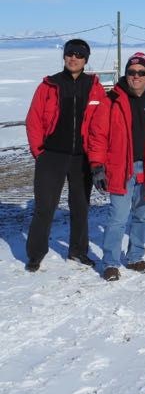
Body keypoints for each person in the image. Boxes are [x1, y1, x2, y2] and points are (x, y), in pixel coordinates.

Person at [87, 52, 145, 282]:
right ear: (125, 75)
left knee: (143, 216)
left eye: (141, 72)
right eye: (132, 72)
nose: (136, 76)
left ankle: (135, 256)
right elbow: (97, 136)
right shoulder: (111, 102)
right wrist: (97, 166)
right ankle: (110, 262)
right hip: (120, 168)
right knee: (117, 217)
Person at [25, 38, 106, 272]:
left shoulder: (94, 86)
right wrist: (39, 151)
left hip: (82, 157)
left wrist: (97, 156)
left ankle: (78, 250)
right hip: (51, 155)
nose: (74, 58)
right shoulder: (49, 85)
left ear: (85, 60)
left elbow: (100, 123)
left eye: (79, 55)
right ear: (64, 56)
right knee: (45, 207)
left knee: (80, 205)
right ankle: (35, 253)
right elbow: (34, 120)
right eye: (70, 53)